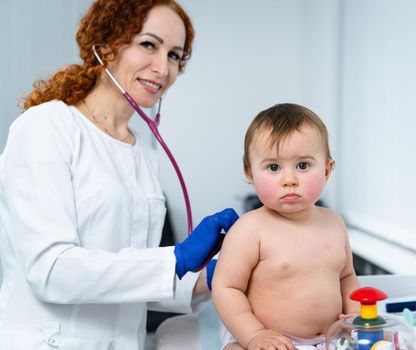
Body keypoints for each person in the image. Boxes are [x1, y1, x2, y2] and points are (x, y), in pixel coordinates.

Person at [0, 1, 238, 349]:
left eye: (174, 55)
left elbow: (131, 284)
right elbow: (50, 271)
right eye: (148, 45)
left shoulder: (142, 153)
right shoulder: (46, 128)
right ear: (107, 43)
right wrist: (174, 259)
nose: (162, 67)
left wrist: (211, 276)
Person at [212, 103, 361, 350]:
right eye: (273, 167)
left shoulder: (334, 223)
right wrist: (255, 335)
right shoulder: (250, 229)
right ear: (249, 173)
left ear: (326, 170)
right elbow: (226, 288)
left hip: (330, 339)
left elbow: (347, 277)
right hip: (270, 341)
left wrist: (355, 317)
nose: (289, 180)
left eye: (303, 165)